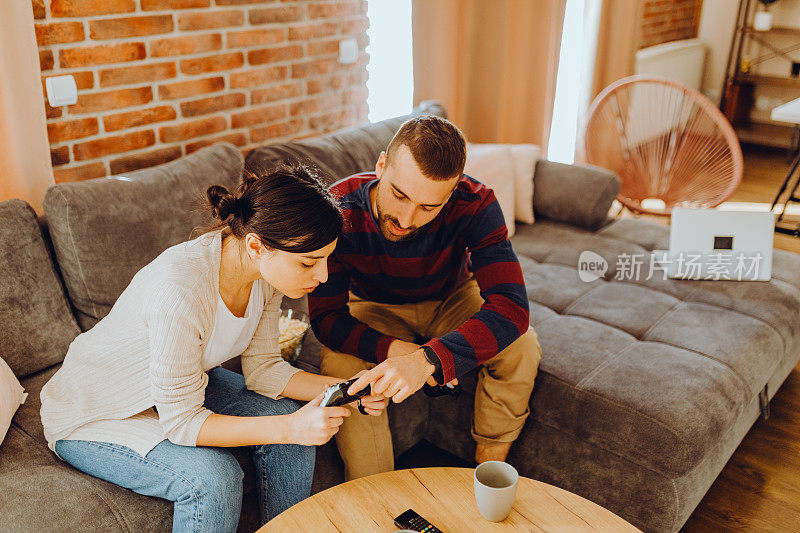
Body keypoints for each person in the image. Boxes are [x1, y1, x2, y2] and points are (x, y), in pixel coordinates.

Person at [39, 163, 389, 532]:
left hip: (169, 391)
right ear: (256, 245)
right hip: (95, 412)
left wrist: (351, 387)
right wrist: (288, 428)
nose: (322, 276)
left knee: (292, 427)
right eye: (309, 262)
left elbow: (264, 370)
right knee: (215, 477)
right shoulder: (182, 291)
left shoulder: (263, 276)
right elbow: (183, 423)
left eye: (326, 260)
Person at [308, 115, 543, 481]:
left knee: (522, 347)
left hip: (452, 296)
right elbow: (326, 319)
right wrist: (403, 353)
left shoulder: (477, 204)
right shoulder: (335, 208)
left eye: (428, 207)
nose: (405, 218)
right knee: (341, 367)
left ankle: (488, 475)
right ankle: (375, 494)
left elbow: (511, 310)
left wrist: (430, 360)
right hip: (374, 306)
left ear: (452, 193)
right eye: (399, 194)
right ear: (381, 165)